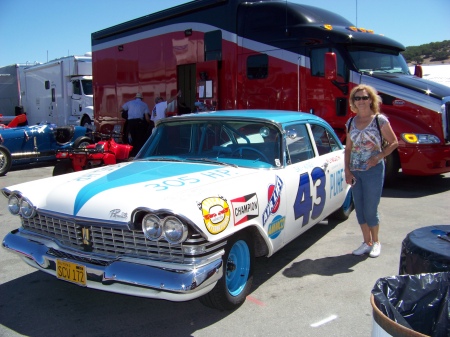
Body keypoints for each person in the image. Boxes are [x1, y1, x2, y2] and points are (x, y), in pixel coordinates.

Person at [344, 84, 398, 258]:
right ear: (353, 102)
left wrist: (379, 156)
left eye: (364, 97)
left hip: (373, 170)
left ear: (371, 100)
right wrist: (347, 170)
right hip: (355, 171)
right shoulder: (351, 122)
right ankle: (366, 242)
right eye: (357, 98)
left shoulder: (379, 120)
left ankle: (376, 242)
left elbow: (394, 142)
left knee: (370, 208)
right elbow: (348, 149)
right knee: (359, 209)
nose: (361, 101)